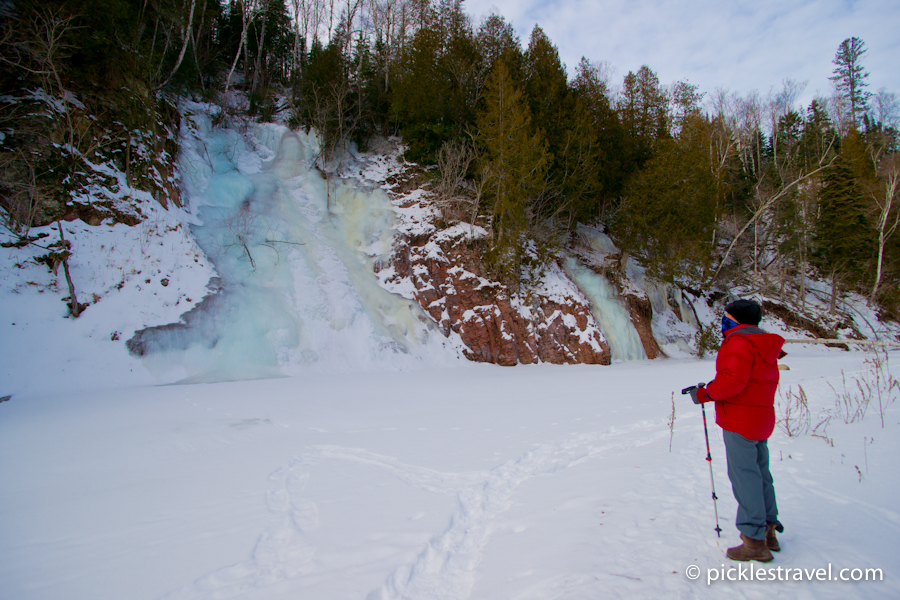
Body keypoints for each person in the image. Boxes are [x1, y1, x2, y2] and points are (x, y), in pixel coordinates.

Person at [690, 299, 786, 562]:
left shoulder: (739, 343)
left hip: (740, 419)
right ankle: (769, 532)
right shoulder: (763, 343)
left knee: (745, 477)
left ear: (736, 320)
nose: (723, 320)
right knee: (761, 473)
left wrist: (705, 393)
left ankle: (754, 542)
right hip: (761, 417)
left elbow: (733, 382)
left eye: (726, 316)